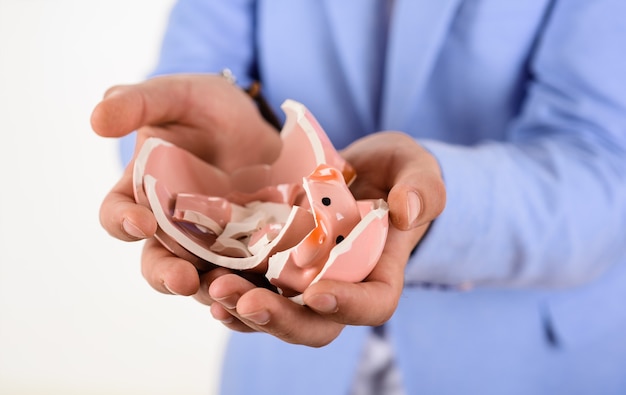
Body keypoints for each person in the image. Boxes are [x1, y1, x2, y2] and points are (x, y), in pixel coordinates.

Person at [91, 1, 626, 394]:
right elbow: (186, 83)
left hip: (528, 363)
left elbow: (604, 169)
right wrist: (182, 148)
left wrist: (425, 206)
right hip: (285, 373)